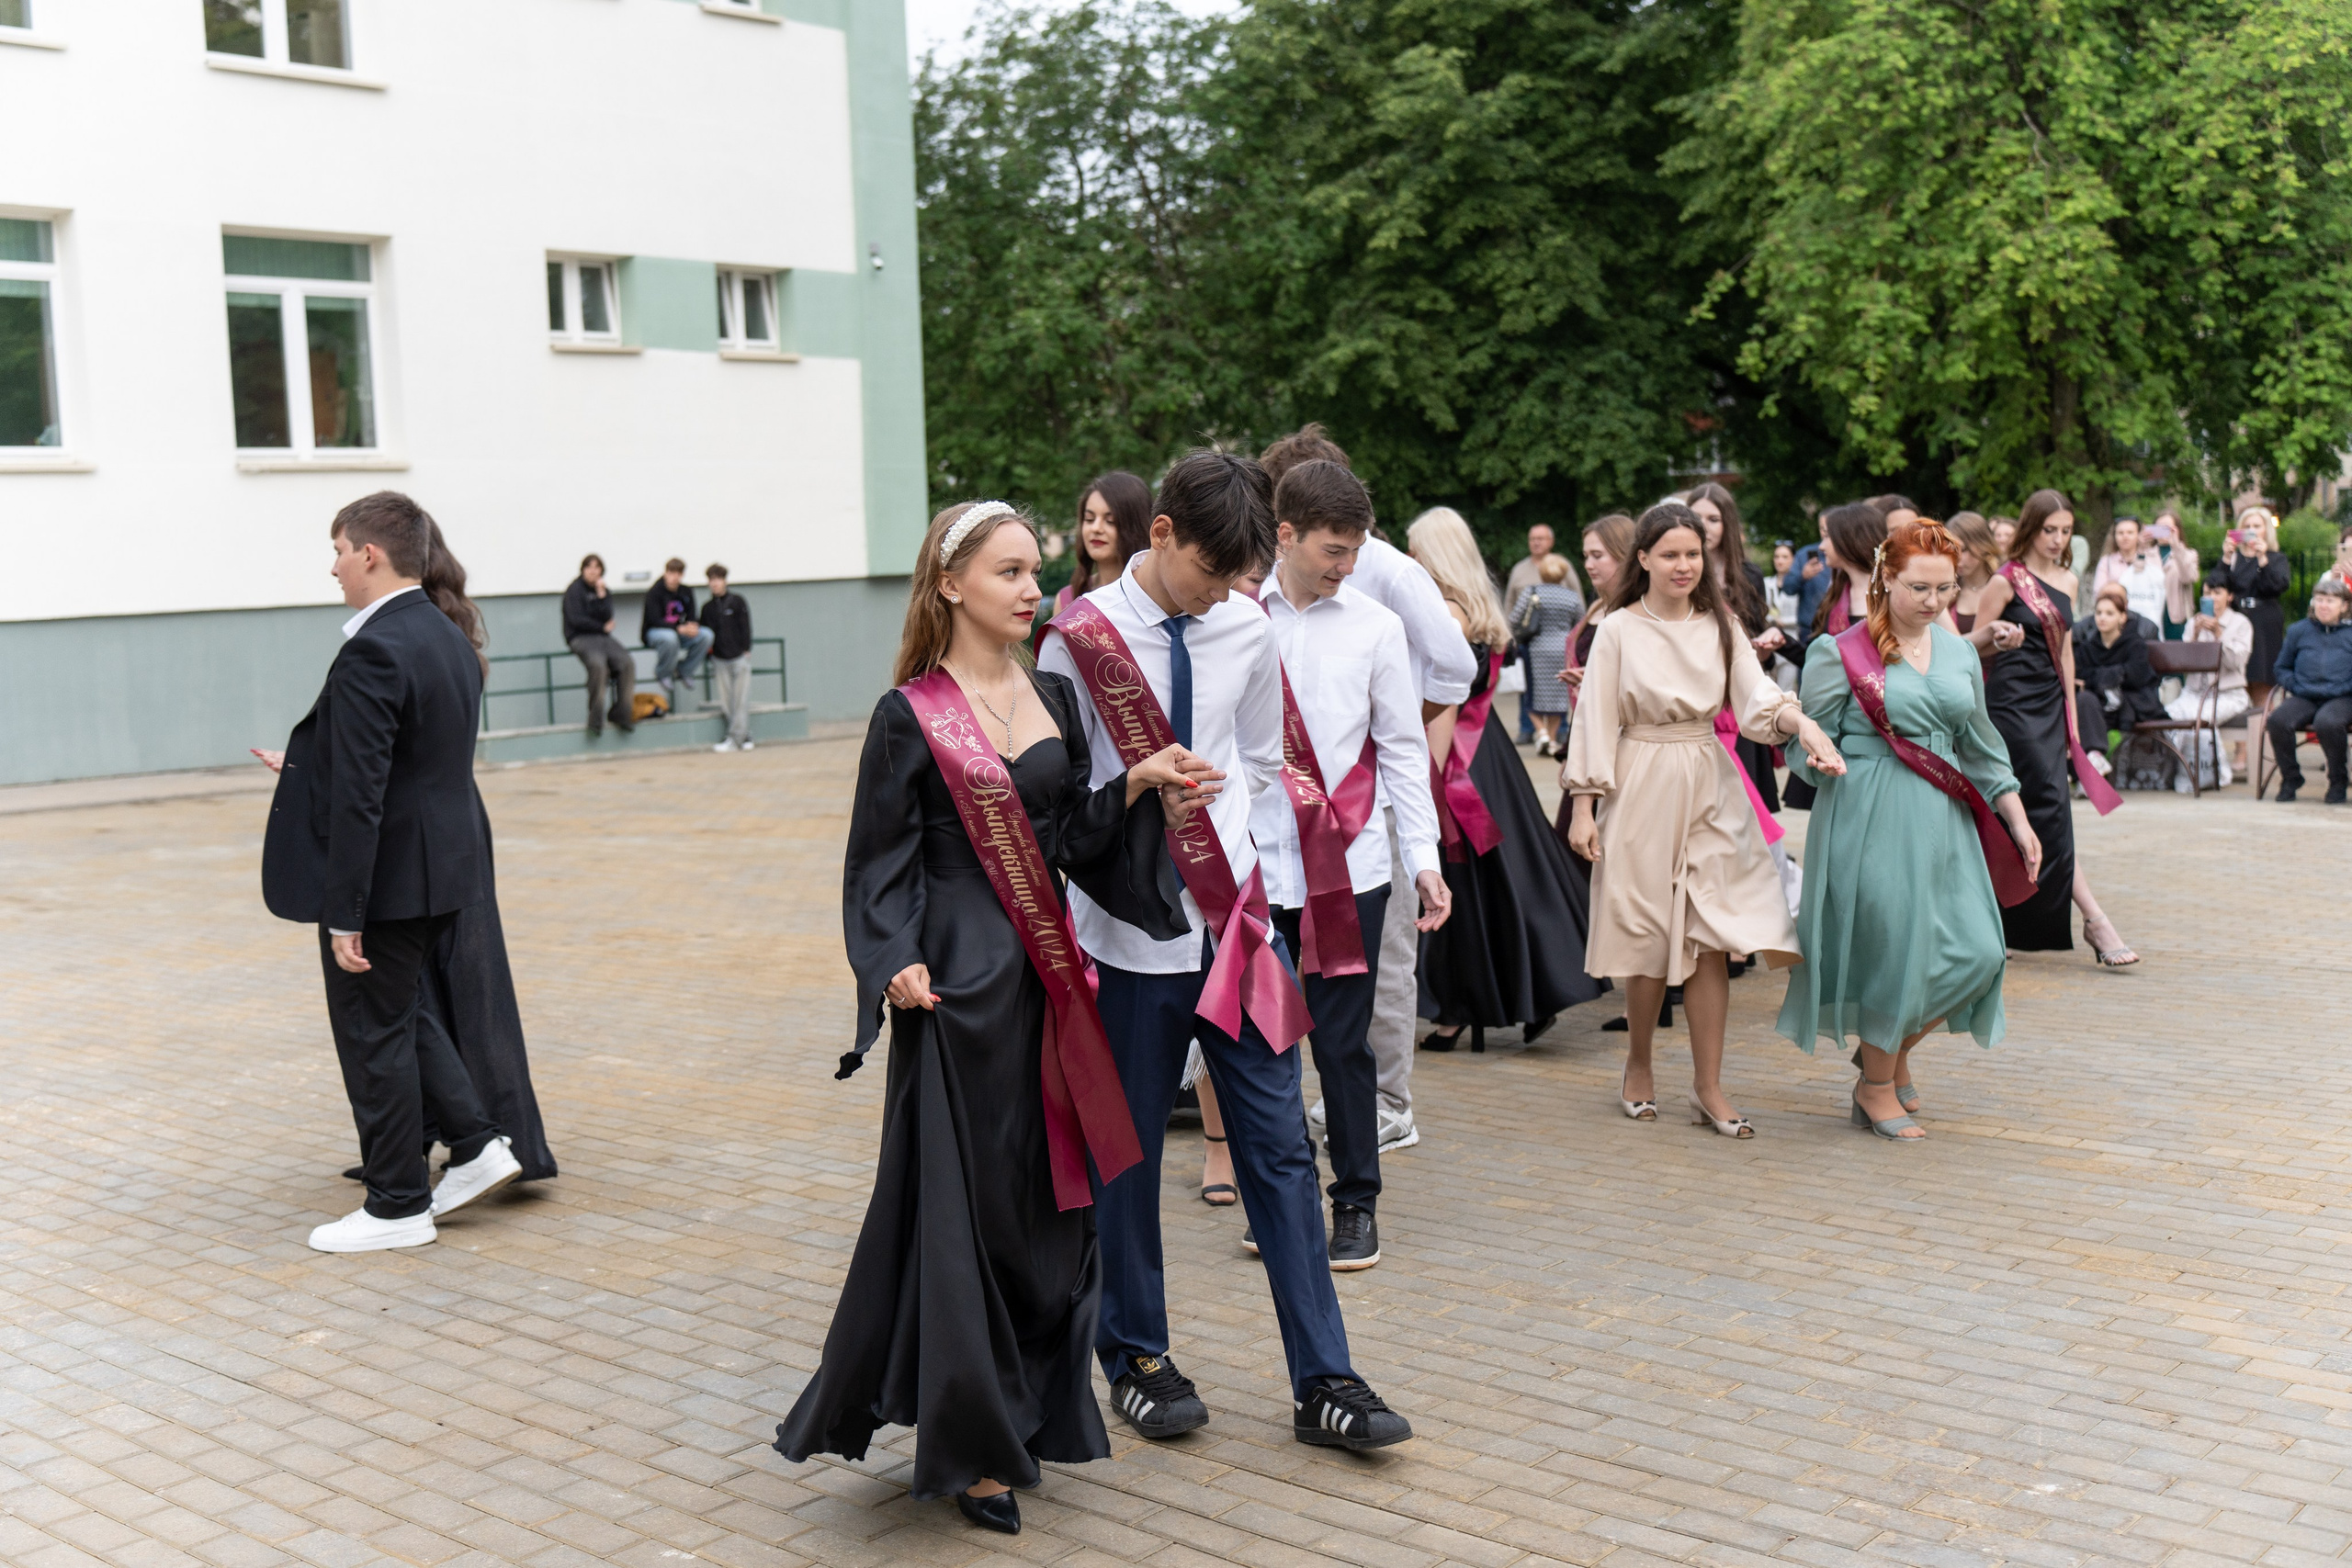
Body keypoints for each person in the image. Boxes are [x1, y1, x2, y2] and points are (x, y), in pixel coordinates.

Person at [774, 501, 1208, 1535]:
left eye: (1035, 571)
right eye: (1010, 572)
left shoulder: (1051, 689)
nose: (1030, 588)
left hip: (1051, 981)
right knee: (961, 1214)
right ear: (950, 583)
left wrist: (1139, 786)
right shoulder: (908, 714)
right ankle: (971, 1447)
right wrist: (893, 961)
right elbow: (877, 865)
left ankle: (1023, 1404)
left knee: (1043, 1205)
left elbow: (1067, 840)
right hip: (959, 992)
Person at [1037, 447, 1416, 1453]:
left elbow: (1260, 760)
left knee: (1283, 1149)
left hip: (1235, 926)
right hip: (1123, 940)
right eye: (1211, 572)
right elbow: (1053, 803)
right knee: (1124, 1162)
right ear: (1159, 535)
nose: (1224, 594)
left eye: (1238, 577)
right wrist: (1134, 789)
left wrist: (1253, 880)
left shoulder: (1245, 626)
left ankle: (1324, 1377)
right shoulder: (1076, 639)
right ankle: (1137, 1356)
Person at [259, 492, 518, 1253]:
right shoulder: (444, 634)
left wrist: (346, 912)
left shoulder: (376, 645)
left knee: (375, 1034)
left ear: (369, 553)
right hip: (442, 874)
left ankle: (398, 1204)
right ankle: (474, 1145)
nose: (333, 564)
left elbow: (366, 794)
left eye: (338, 548)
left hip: (389, 883)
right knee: (403, 1015)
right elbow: (408, 761)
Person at [1564, 502, 1845, 1137]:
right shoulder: (1616, 629)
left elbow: (1756, 698)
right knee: (1646, 936)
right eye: (1670, 554)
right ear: (1643, 559)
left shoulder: (1720, 624)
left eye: (1693, 553)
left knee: (1712, 934)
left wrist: (1801, 723)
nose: (1684, 565)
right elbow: (1596, 718)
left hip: (1709, 779)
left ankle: (1708, 1086)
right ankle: (1638, 1062)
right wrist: (1584, 805)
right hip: (1638, 780)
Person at [1248, 460, 1452, 1271]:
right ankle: (1282, 1202)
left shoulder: (1374, 626)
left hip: (1352, 864)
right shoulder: (1235, 618)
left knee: (1342, 1043)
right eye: (1333, 550)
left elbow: (1403, 751)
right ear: (1286, 535)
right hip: (1257, 864)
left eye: (1355, 551)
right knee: (1263, 1041)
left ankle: (1357, 1201)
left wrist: (1425, 860)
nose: (1345, 566)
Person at [1776, 520, 2041, 1139]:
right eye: (1920, 587)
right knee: (1894, 952)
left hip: (1944, 817)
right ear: (1885, 577)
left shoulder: (1957, 651)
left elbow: (1980, 742)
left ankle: (1883, 1056)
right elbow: (1805, 740)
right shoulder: (1837, 651)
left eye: (1946, 588)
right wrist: (1815, 758)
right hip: (1867, 812)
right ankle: (1875, 1083)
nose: (1934, 601)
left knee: (1977, 952)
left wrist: (2018, 819)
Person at [1408, 507, 1603, 1052]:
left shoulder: (1446, 612)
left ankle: (1459, 1009)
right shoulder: (1480, 606)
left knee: (1465, 883)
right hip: (1492, 753)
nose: (1410, 558)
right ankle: (1530, 990)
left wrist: (1428, 783)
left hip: (1460, 761)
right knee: (1511, 877)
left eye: (1416, 548)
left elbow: (1444, 707)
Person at [1973, 489, 2137, 965]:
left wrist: (2070, 710)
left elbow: (2064, 650)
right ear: (2030, 528)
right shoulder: (2004, 582)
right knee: (2045, 804)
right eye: (2049, 530)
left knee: (2045, 808)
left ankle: (2009, 921)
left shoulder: (2067, 577)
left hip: (2048, 703)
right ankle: (2095, 920)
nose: (2058, 538)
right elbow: (1971, 649)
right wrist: (1999, 640)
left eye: (2066, 531)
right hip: (2008, 705)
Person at [2265, 577, 2352, 803]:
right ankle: (2291, 777)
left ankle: (2338, 781)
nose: (2323, 605)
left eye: (2330, 601)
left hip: (2343, 697)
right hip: (2304, 694)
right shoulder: (2298, 631)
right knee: (2278, 720)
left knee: (2328, 723)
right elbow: (2281, 667)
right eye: (2319, 600)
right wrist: (2296, 685)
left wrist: (2343, 687)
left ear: (2344, 606)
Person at [2072, 585, 2165, 773]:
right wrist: (2116, 674)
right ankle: (2094, 758)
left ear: (2122, 617)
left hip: (2130, 707)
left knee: (2085, 703)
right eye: (2098, 613)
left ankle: (2087, 770)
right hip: (2099, 708)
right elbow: (2079, 674)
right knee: (2083, 701)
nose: (2102, 618)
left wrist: (2098, 677)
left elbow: (2137, 675)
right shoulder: (2088, 647)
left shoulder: (2134, 644)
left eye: (2109, 613)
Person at [1054, 470, 1155, 622]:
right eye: (1089, 519)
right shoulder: (1067, 600)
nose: (1096, 528)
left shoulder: (1157, 598)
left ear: (1137, 527)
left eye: (1110, 521)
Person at [1512, 554, 1583, 756]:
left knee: (1532, 693)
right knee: (1559, 694)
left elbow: (1515, 617)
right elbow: (1580, 622)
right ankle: (1552, 740)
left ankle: (1541, 732)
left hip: (1536, 649)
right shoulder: (1571, 596)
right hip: (1562, 648)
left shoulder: (1531, 592)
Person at [2215, 506, 2292, 685]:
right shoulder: (2234, 557)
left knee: (2261, 680)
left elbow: (2276, 587)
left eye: (2257, 526)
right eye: (2246, 526)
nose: (2251, 530)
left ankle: (2264, 713)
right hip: (2237, 617)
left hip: (2264, 619)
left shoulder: (2276, 558)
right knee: (2235, 678)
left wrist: (2262, 558)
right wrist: (2226, 558)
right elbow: (2216, 586)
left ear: (2266, 530)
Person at [560, 553, 636, 733]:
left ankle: (622, 713)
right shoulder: (574, 590)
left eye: (597, 568)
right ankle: (596, 719)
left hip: (602, 638)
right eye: (589, 567)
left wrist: (602, 596)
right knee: (598, 666)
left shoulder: (603, 590)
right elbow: (576, 619)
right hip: (580, 637)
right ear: (583, 570)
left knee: (627, 663)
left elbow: (608, 616)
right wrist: (601, 627)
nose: (593, 571)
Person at [1504, 523, 1564, 743]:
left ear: (1551, 541)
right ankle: (1527, 729)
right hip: (1526, 638)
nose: (1536, 542)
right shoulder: (1520, 570)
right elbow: (1510, 603)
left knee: (1558, 685)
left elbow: (1578, 599)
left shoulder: (1563, 566)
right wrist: (1508, 634)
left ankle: (1559, 729)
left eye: (1541, 538)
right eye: (1533, 538)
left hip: (1555, 640)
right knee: (1527, 684)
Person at [1947, 513, 2028, 659]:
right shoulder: (1945, 589)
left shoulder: (2007, 584)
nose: (1957, 558)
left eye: (1964, 550)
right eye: (1951, 550)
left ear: (1982, 543)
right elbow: (1947, 648)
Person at [641, 557, 713, 713]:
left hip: (680, 631)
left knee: (706, 635)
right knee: (670, 637)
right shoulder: (655, 592)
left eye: (678, 574)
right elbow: (653, 619)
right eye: (671, 573)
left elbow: (692, 614)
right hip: (656, 631)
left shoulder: (686, 591)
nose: (674, 577)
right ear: (666, 573)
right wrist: (678, 628)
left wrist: (693, 626)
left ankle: (684, 670)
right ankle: (663, 673)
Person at [699, 563, 756, 753]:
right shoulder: (707, 608)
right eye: (712, 580)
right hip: (719, 659)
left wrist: (746, 649)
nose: (715, 583)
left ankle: (735, 739)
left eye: (718, 579)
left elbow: (745, 625)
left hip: (739, 657)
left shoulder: (737, 601)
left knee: (740, 699)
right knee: (726, 702)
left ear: (724, 580)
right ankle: (744, 735)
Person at [2145, 512, 2202, 638]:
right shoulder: (2146, 555)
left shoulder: (2189, 554)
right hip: (2152, 613)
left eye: (2167, 527)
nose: (2163, 531)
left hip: (2177, 616)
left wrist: (2176, 546)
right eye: (2159, 527)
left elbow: (2188, 578)